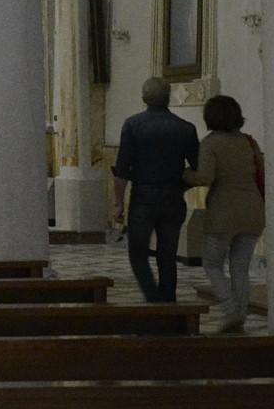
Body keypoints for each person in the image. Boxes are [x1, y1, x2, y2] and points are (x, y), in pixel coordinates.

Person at [110, 77, 199, 305]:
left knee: (138, 253)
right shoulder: (186, 128)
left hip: (144, 198)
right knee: (167, 256)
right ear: (168, 98)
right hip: (173, 199)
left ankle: (153, 298)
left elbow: (122, 170)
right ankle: (168, 300)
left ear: (144, 99)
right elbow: (199, 168)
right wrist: (182, 185)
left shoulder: (133, 125)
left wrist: (118, 202)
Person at [185, 94, 265, 334]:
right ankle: (240, 316)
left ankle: (230, 310)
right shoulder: (249, 142)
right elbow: (261, 172)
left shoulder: (211, 143)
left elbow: (205, 177)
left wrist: (186, 174)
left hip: (223, 214)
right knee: (240, 269)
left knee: (212, 265)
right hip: (253, 212)